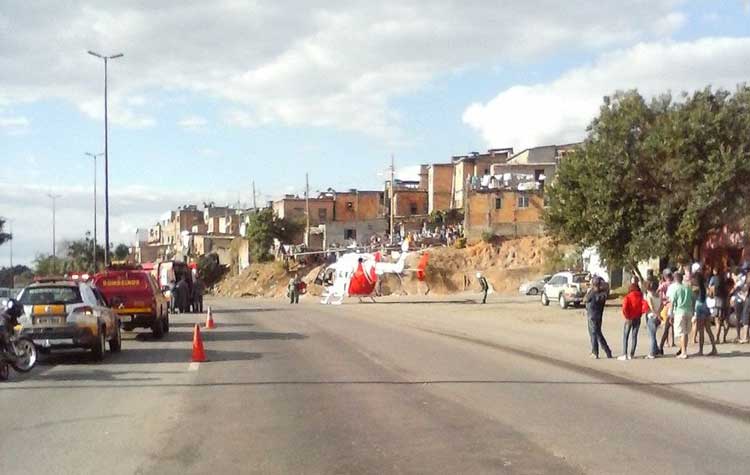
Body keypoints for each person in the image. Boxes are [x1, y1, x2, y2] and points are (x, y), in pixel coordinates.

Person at [584, 276, 612, 359]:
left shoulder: (592, 293)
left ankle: (596, 352)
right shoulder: (603, 293)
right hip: (599, 315)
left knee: (594, 334)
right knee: (598, 333)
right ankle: (607, 351)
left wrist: (589, 290)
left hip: (592, 316)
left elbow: (585, 299)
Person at [668, 272, 693, 359]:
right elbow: (693, 299)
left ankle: (683, 352)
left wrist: (671, 315)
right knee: (685, 333)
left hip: (679, 311)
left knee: (681, 333)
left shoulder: (676, 289)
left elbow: (672, 302)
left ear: (675, 279)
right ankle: (684, 350)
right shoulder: (688, 288)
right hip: (689, 311)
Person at [693, 271, 718, 356]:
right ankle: (714, 348)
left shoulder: (696, 288)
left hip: (700, 308)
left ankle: (701, 350)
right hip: (706, 307)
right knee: (708, 330)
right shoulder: (705, 286)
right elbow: (710, 294)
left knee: (701, 331)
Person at [619, 281, 644, 360]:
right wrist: (641, 313)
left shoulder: (628, 297)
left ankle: (624, 354)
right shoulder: (641, 296)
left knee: (626, 336)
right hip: (637, 317)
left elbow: (624, 308)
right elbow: (644, 306)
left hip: (629, 318)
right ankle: (631, 354)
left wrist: (627, 316)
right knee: (634, 336)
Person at [644, 281, 662, 359]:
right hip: (658, 316)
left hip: (652, 316)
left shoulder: (649, 295)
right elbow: (661, 305)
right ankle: (656, 349)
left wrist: (656, 314)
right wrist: (659, 313)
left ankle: (652, 353)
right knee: (653, 334)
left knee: (651, 335)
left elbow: (651, 306)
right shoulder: (659, 295)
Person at [658, 270, 676, 353]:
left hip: (666, 305)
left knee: (666, 325)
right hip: (674, 306)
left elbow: (658, 291)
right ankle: (672, 342)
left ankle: (666, 342)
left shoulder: (664, 284)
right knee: (673, 326)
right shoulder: (673, 284)